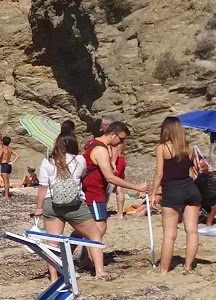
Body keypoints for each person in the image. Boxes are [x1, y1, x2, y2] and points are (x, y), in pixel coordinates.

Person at [34, 133, 112, 281]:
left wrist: (38, 208)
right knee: (94, 235)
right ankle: (100, 271)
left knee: (53, 242)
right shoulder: (80, 160)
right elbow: (82, 175)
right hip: (75, 205)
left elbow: (43, 187)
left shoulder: (47, 161)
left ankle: (54, 277)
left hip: (52, 203)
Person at [83, 122, 147, 252]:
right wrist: (136, 187)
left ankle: (74, 255)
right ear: (112, 134)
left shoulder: (92, 143)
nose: (121, 143)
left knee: (85, 228)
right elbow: (110, 178)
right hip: (94, 192)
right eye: (121, 139)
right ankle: (89, 259)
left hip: (94, 190)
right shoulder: (100, 149)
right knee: (100, 226)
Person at [151, 116, 201, 274]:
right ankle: (188, 266)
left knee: (169, 235)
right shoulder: (189, 147)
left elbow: (159, 174)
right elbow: (193, 171)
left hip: (172, 191)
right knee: (192, 231)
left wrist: (153, 193)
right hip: (190, 189)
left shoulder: (163, 148)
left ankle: (164, 270)